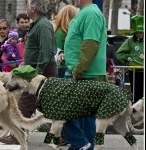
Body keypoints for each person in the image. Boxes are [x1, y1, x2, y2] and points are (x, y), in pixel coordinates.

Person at [0, 0, 58, 144]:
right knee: (45, 103)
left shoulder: (43, 25)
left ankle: (17, 135)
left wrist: (36, 72)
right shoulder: (37, 24)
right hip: (34, 68)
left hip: (41, 70)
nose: (26, 8)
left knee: (31, 100)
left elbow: (45, 51)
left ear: (34, 9)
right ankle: (62, 135)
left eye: (29, 6)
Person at [61, 0, 107, 149]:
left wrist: (78, 70)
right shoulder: (85, 13)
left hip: (85, 74)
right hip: (82, 74)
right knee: (82, 119)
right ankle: (81, 145)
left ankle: (81, 144)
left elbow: (90, 44)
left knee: (63, 112)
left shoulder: (91, 13)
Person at [116, 15, 144, 103]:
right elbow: (119, 54)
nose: (139, 34)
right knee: (136, 94)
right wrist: (129, 59)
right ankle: (135, 113)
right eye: (137, 33)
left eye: (141, 32)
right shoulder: (129, 41)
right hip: (134, 72)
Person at [54, 5, 78, 78]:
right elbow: (58, 50)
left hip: (63, 66)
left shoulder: (60, 31)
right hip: (62, 66)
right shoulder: (61, 32)